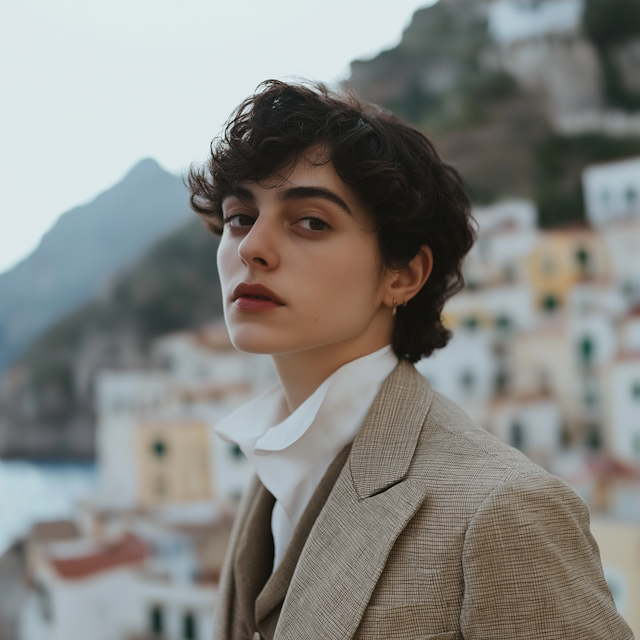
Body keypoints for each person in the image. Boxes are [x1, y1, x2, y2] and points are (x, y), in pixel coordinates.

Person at [189, 80, 633, 640]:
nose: (252, 245)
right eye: (238, 216)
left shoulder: (503, 512)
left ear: (403, 275)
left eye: (311, 222)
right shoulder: (272, 475)